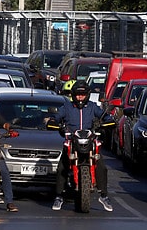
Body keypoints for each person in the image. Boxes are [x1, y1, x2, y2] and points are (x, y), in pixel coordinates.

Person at [50, 80, 114, 212]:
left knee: (101, 165)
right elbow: (56, 118)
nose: (80, 97)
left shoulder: (92, 107)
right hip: (71, 141)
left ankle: (103, 195)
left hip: (89, 141)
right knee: (62, 165)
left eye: (83, 94)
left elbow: (106, 117)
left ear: (87, 95)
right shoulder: (67, 107)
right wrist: (54, 122)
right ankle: (59, 196)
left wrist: (107, 122)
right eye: (78, 94)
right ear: (73, 95)